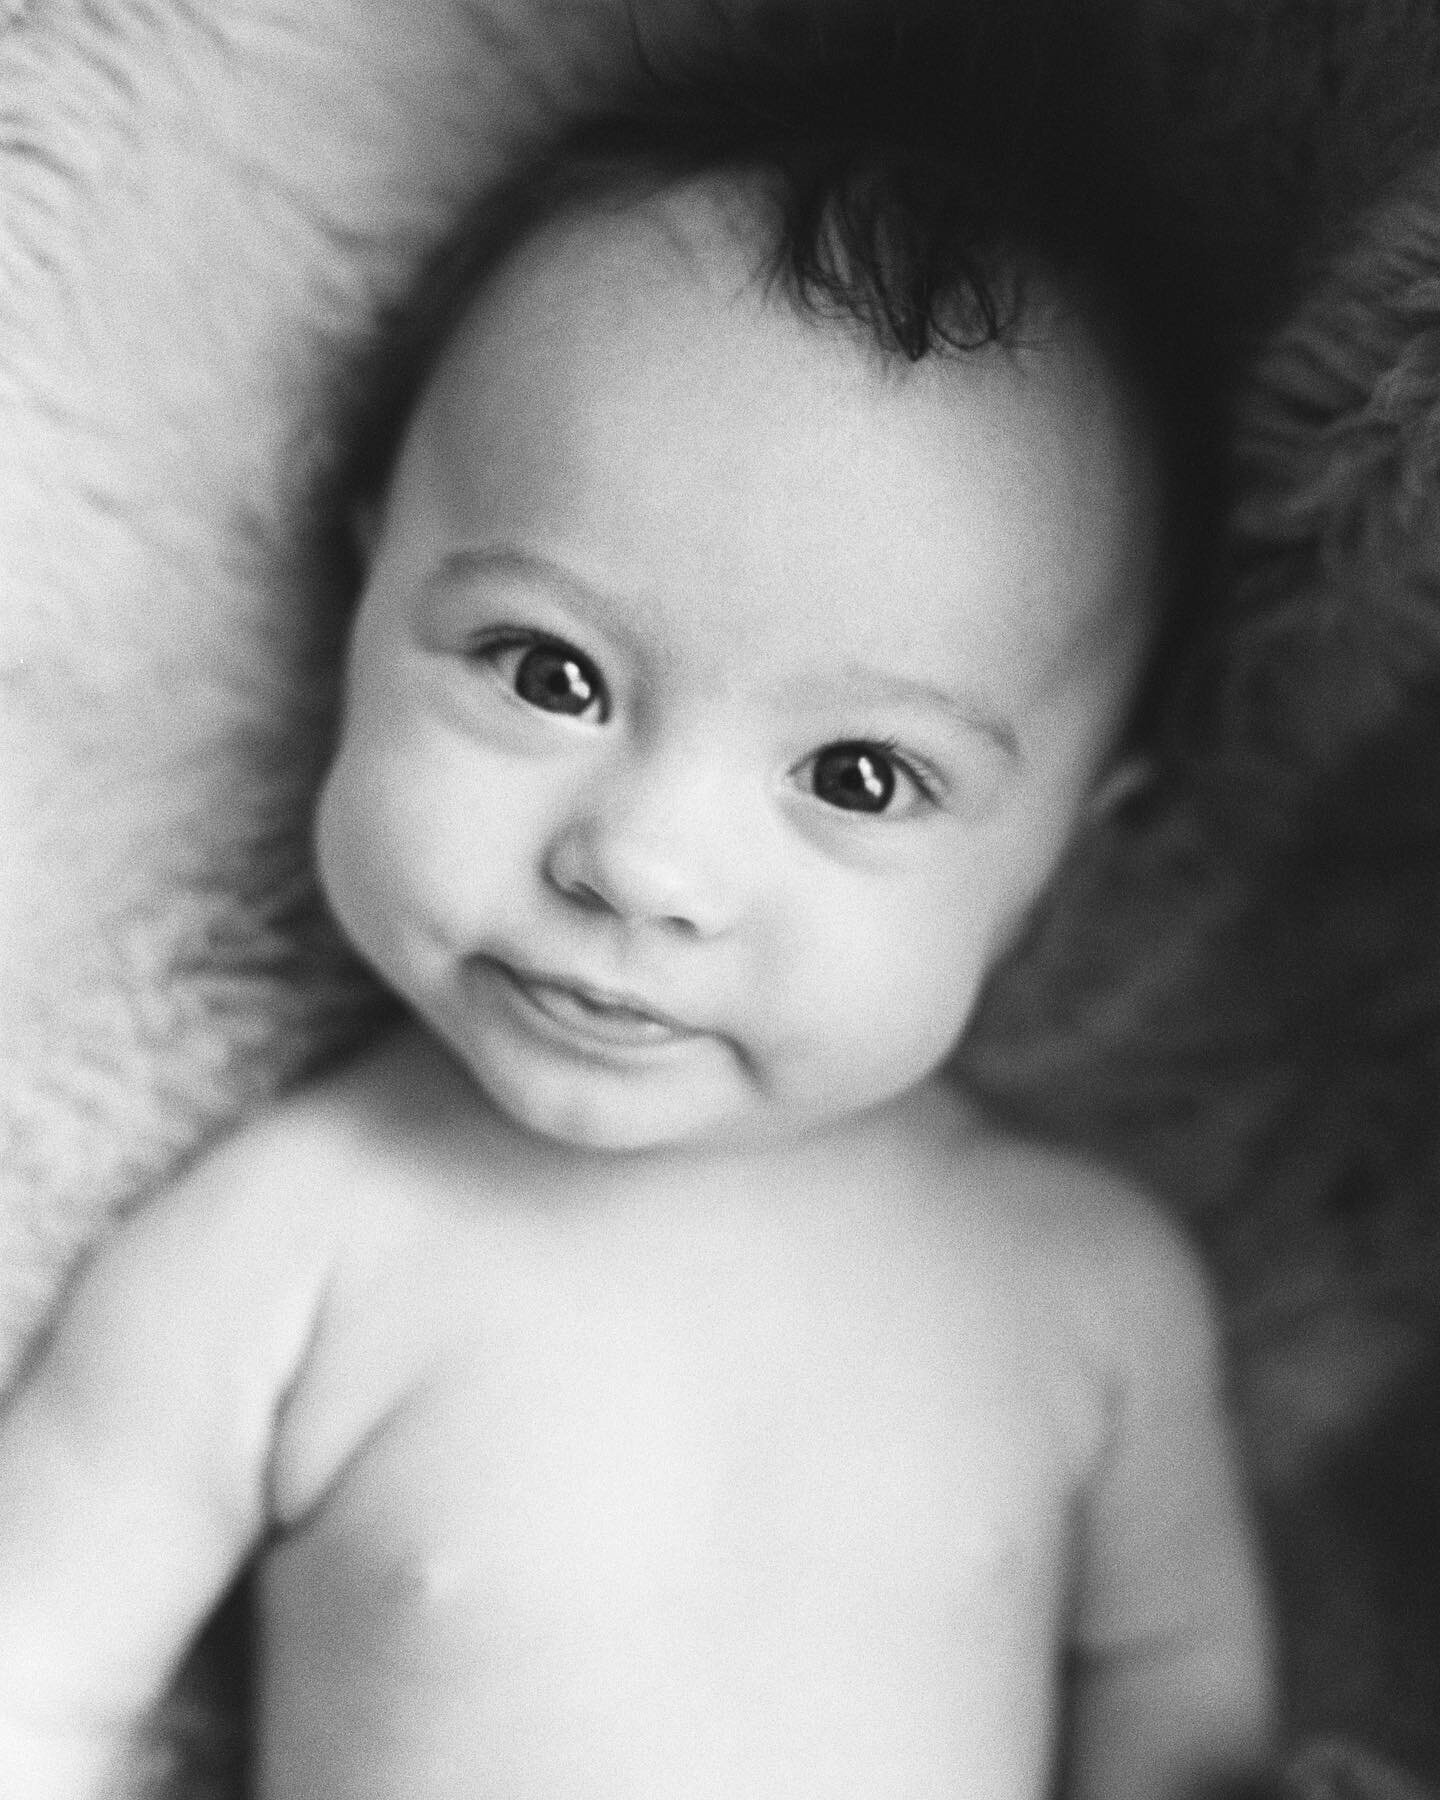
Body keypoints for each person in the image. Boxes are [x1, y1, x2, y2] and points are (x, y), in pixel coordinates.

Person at [0, 1, 1275, 1795]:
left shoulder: (1085, 1290)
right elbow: (33, 1686)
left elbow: (1188, 1716)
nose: (642, 865)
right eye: (543, 669)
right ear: (366, 578)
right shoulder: (287, 1253)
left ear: (1068, 842)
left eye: (858, 778)